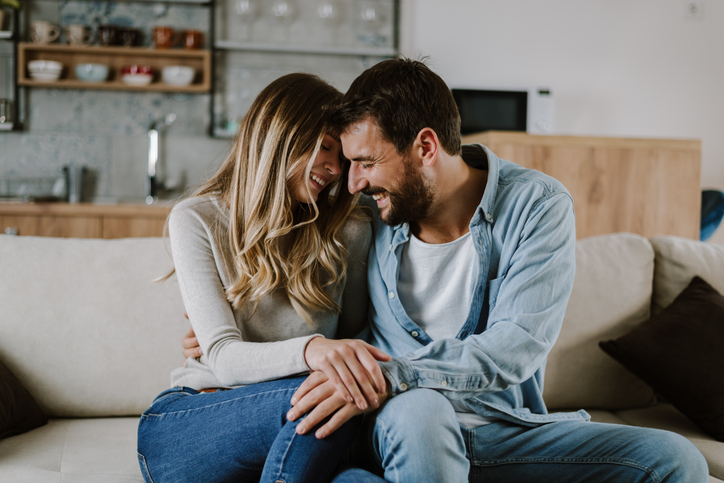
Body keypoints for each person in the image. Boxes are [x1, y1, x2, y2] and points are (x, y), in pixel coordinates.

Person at [282, 58, 710, 482]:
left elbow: (515, 346)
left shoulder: (536, 206)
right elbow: (271, 250)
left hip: (504, 429)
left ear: (426, 147)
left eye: (367, 162)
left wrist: (396, 373)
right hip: (402, 421)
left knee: (675, 458)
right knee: (423, 411)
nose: (353, 181)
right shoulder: (363, 215)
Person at [137, 73, 391, 483]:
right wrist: (314, 350)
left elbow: (356, 337)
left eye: (341, 156)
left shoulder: (350, 228)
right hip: (195, 421)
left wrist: (336, 359)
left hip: (302, 432)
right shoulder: (197, 219)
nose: (334, 168)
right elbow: (222, 354)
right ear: (280, 137)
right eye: (325, 147)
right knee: (329, 392)